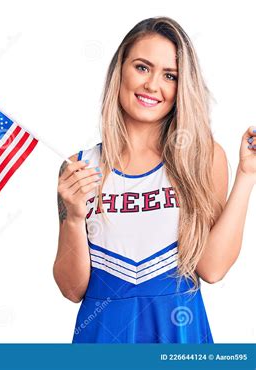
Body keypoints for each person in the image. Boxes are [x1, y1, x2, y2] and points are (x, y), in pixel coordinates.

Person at [53, 16, 256, 343]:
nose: (152, 85)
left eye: (170, 76)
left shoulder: (202, 156)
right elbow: (72, 288)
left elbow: (212, 269)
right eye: (142, 67)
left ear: (182, 86)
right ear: (120, 71)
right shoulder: (79, 167)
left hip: (180, 334)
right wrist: (74, 218)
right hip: (102, 336)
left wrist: (247, 175)